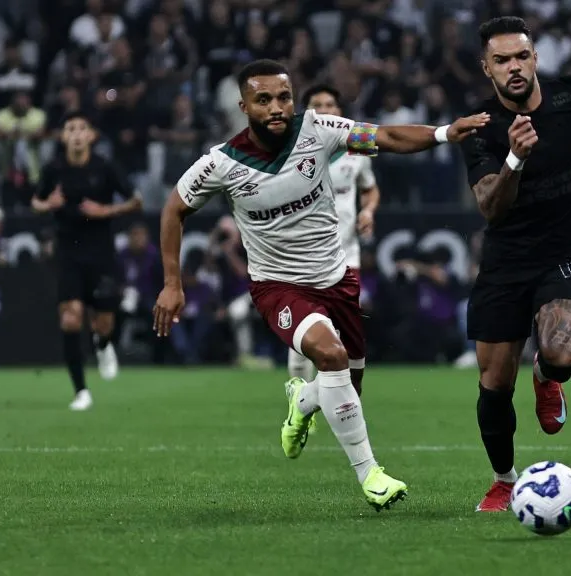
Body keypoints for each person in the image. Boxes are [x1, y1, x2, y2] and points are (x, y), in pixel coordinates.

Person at [152, 59, 487, 510]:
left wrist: (445, 133)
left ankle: (303, 401)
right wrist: (172, 283)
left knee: (349, 384)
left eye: (284, 97)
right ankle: (371, 476)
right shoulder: (221, 162)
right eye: (263, 99)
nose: (276, 107)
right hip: (279, 286)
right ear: (243, 106)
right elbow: (173, 208)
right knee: (331, 358)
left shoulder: (318, 129)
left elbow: (383, 137)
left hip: (336, 278)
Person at [458, 17, 571, 512]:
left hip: (566, 250)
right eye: (502, 61)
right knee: (495, 384)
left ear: (535, 58)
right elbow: (490, 208)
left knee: (562, 352)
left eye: (521, 56)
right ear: (487, 69)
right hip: (506, 261)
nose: (514, 68)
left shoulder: (568, 93)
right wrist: (514, 160)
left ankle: (547, 375)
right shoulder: (479, 127)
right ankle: (503, 481)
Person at [31, 111, 143, 410]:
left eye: (82, 128)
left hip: (101, 251)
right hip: (68, 251)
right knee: (70, 316)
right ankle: (81, 391)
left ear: (92, 136)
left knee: (104, 321)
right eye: (70, 129)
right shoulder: (53, 169)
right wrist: (48, 205)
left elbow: (136, 200)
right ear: (63, 136)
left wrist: (104, 211)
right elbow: (36, 201)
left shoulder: (105, 168)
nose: (77, 134)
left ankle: (104, 344)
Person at [287, 84, 382, 385]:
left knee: (344, 332)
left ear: (340, 113)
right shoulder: (290, 151)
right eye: (318, 105)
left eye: (331, 104)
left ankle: (342, 399)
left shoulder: (357, 150)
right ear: (306, 113)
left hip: (345, 254)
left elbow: (370, 189)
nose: (326, 110)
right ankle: (299, 401)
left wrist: (368, 211)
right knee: (304, 332)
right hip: (303, 254)